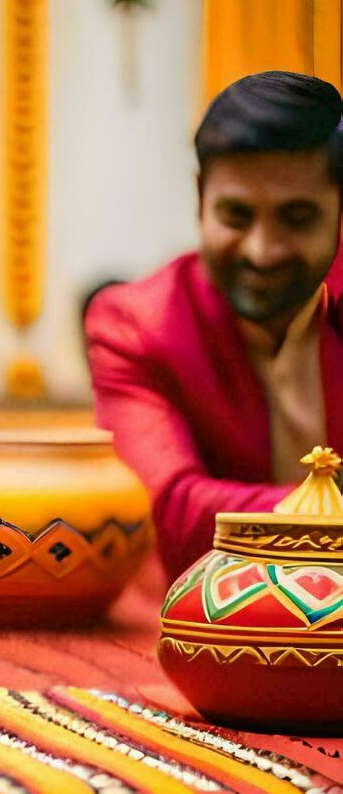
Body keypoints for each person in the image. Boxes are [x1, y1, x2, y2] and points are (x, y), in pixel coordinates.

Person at [85, 71, 343, 581]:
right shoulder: (138, 326)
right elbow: (171, 517)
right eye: (236, 215)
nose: (261, 250)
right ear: (200, 195)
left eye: (296, 218)